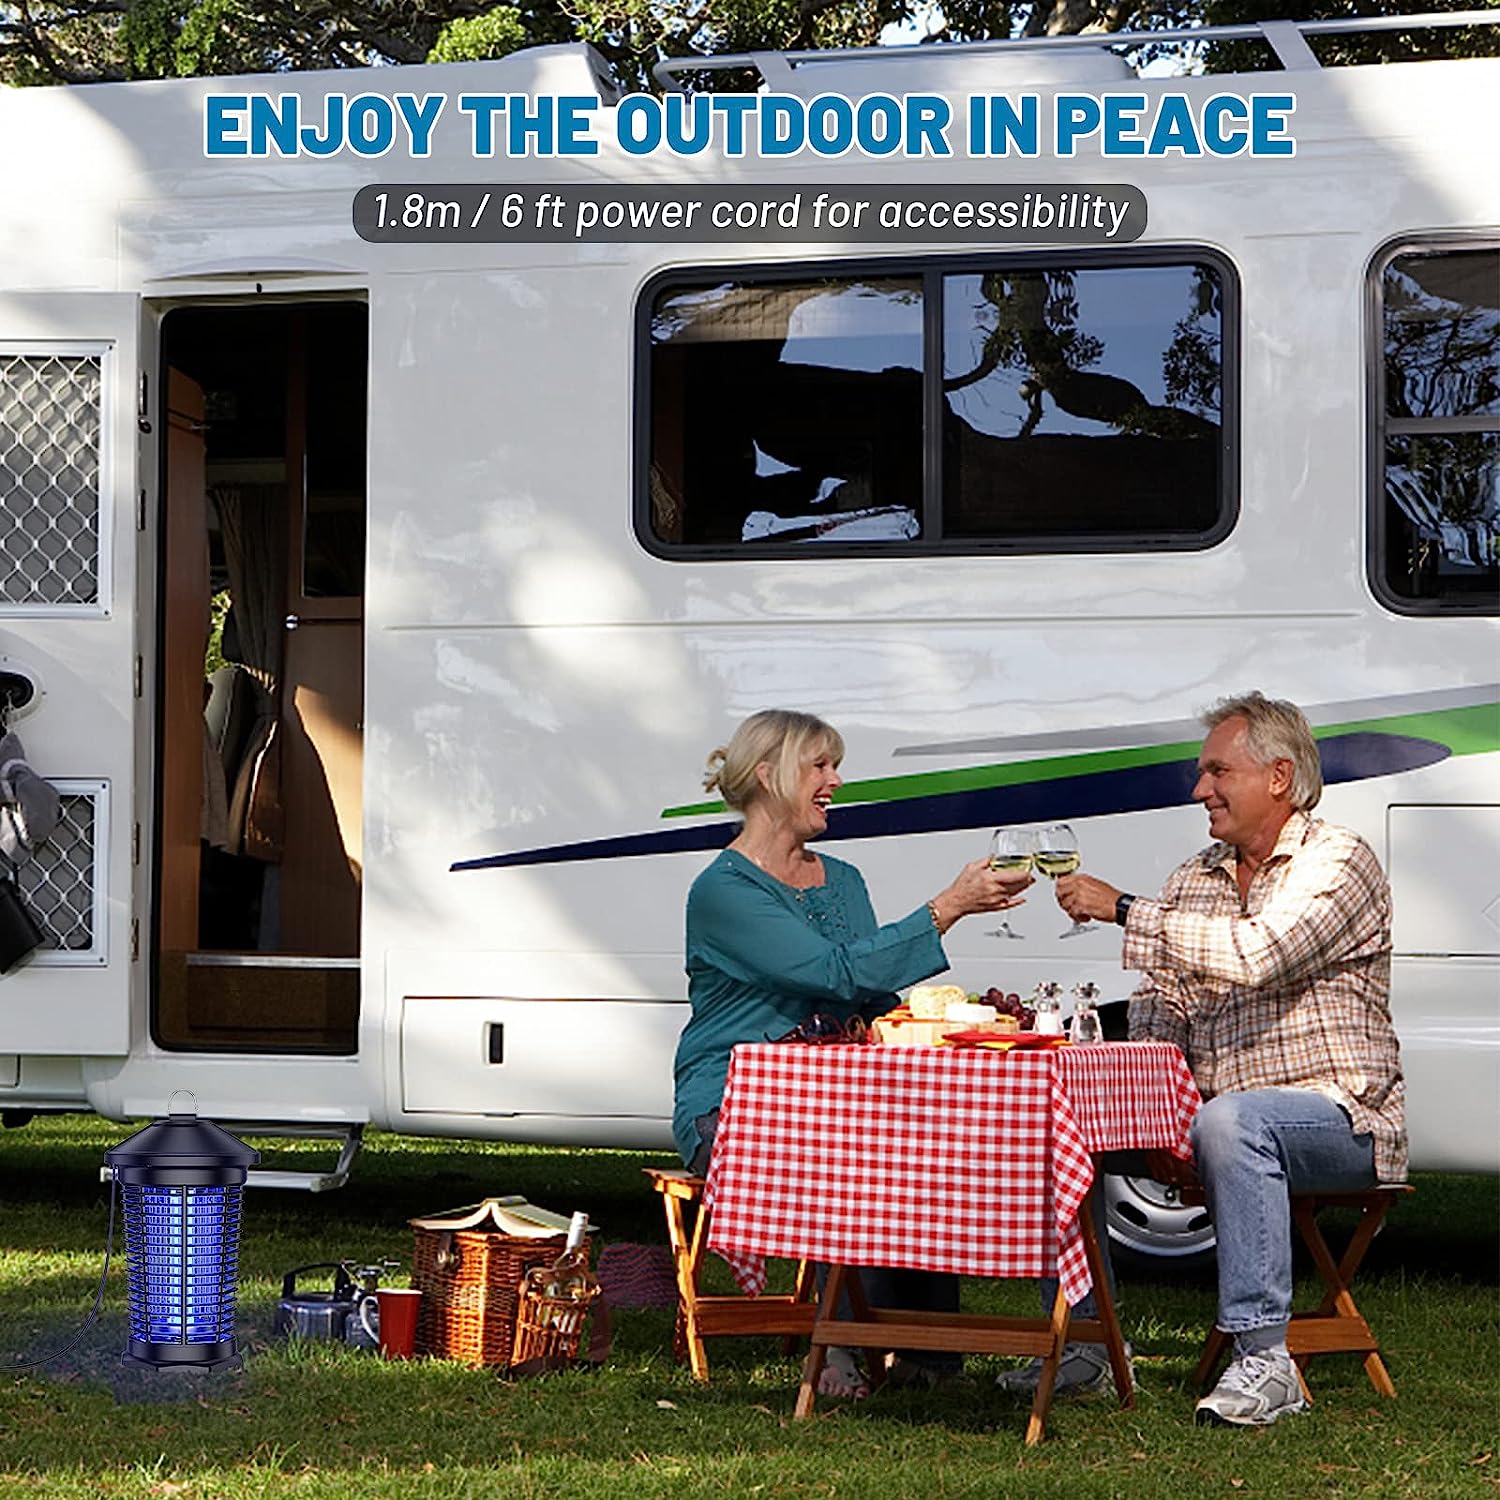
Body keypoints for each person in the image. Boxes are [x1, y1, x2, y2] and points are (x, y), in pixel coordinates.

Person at [1027, 690, 1404, 1427]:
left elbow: (1260, 954)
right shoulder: (1193, 879)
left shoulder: (1339, 860)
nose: (1200, 789)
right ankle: (1084, 1347)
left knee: (1233, 1122)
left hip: (1341, 1117)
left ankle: (1266, 1361)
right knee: (1055, 1113)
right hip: (1212, 1120)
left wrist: (1125, 909)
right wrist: (1142, 1104)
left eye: (1217, 772)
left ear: (1279, 776)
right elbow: (1160, 1008)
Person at [673, 708, 1032, 1398]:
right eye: (821, 765)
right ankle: (838, 1344)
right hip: (733, 1104)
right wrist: (946, 908)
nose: (835, 780)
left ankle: (926, 1357)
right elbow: (833, 973)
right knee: (848, 1152)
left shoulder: (843, 879)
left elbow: (869, 994)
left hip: (840, 1098)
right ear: (767, 776)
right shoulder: (722, 891)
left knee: (930, 1145)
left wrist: (954, 1019)